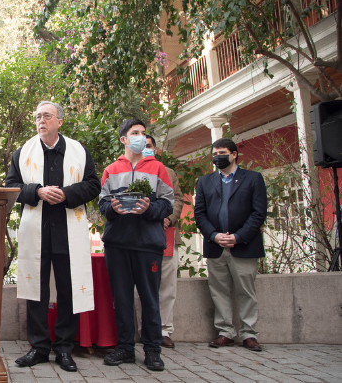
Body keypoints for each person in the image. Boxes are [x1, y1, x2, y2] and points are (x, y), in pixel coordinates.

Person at [5, 101, 101, 372]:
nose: (41, 120)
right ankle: (38, 347)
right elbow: (11, 187)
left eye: (47, 116)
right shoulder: (23, 152)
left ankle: (64, 348)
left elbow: (93, 184)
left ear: (59, 121)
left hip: (68, 232)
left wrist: (67, 194)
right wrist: (37, 191)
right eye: (38, 116)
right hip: (36, 232)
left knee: (68, 290)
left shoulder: (78, 151)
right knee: (36, 291)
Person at [98, 119, 174, 371]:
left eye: (143, 133)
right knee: (121, 299)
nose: (141, 136)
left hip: (148, 244)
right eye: (135, 133)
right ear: (124, 139)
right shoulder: (111, 170)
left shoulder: (158, 169)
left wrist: (149, 209)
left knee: (150, 300)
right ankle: (125, 348)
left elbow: (168, 204)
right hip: (117, 244)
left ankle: (152, 350)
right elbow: (102, 204)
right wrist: (113, 208)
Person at [194, 138, 267, 352]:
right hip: (216, 246)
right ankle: (225, 332)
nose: (218, 157)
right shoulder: (205, 182)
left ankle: (249, 334)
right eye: (215, 153)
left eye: (222, 153)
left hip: (244, 246)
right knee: (219, 291)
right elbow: (200, 214)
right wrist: (214, 235)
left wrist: (238, 237)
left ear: (234, 154)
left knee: (246, 292)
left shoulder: (253, 179)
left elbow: (258, 213)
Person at [134, 135, 184, 349]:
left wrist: (167, 218)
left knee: (166, 286)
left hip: (166, 234)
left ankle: (163, 330)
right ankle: (143, 329)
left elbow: (178, 198)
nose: (145, 149)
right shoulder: (128, 172)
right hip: (138, 236)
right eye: (142, 146)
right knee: (139, 287)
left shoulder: (168, 172)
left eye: (149, 146)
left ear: (155, 149)